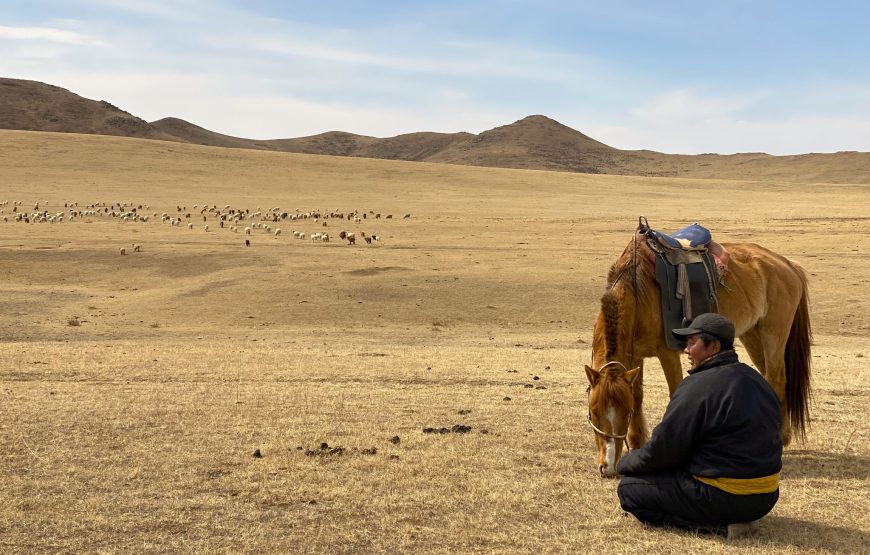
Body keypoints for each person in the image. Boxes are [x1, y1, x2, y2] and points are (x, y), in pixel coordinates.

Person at [616, 312, 782, 540]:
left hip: (722, 496)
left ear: (713, 346)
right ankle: (738, 515)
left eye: (692, 343)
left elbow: (664, 450)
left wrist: (626, 463)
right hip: (766, 496)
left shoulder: (696, 386)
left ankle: (720, 528)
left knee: (630, 489)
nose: (685, 350)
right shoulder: (758, 381)